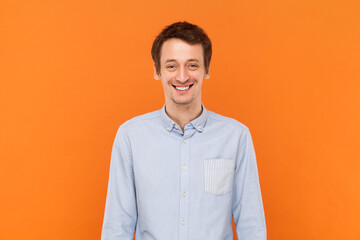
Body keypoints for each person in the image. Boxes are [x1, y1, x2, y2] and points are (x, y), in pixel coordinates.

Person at [101, 21, 266, 240]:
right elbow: (117, 226)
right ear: (157, 71)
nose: (182, 77)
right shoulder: (130, 137)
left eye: (192, 65)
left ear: (206, 69)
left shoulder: (236, 137)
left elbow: (251, 225)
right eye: (171, 66)